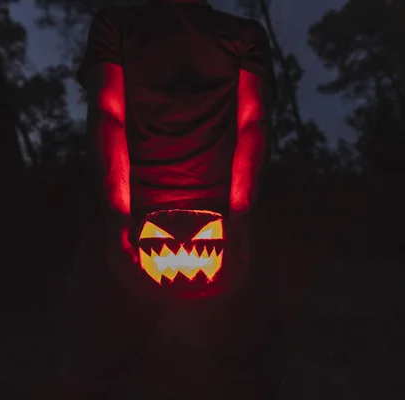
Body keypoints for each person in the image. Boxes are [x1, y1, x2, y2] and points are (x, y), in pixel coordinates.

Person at [59, 0, 282, 397]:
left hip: (146, 218)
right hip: (216, 223)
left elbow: (108, 115)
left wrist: (116, 220)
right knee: (248, 369)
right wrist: (241, 223)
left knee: (99, 367)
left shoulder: (117, 25)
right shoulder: (244, 36)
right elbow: (253, 124)